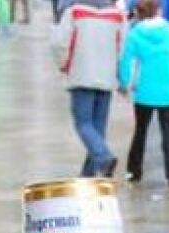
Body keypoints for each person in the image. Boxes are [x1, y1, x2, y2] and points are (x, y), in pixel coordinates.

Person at [52, 0, 124, 177]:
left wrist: (64, 65)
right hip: (106, 76)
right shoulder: (117, 15)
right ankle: (88, 175)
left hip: (81, 74)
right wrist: (118, 72)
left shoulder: (74, 12)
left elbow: (59, 44)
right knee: (98, 128)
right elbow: (122, 47)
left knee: (83, 123)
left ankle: (104, 157)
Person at [119, 0, 169, 186]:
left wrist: (124, 84)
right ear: (159, 11)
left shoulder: (135, 34)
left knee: (140, 131)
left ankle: (134, 171)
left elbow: (126, 62)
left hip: (145, 90)